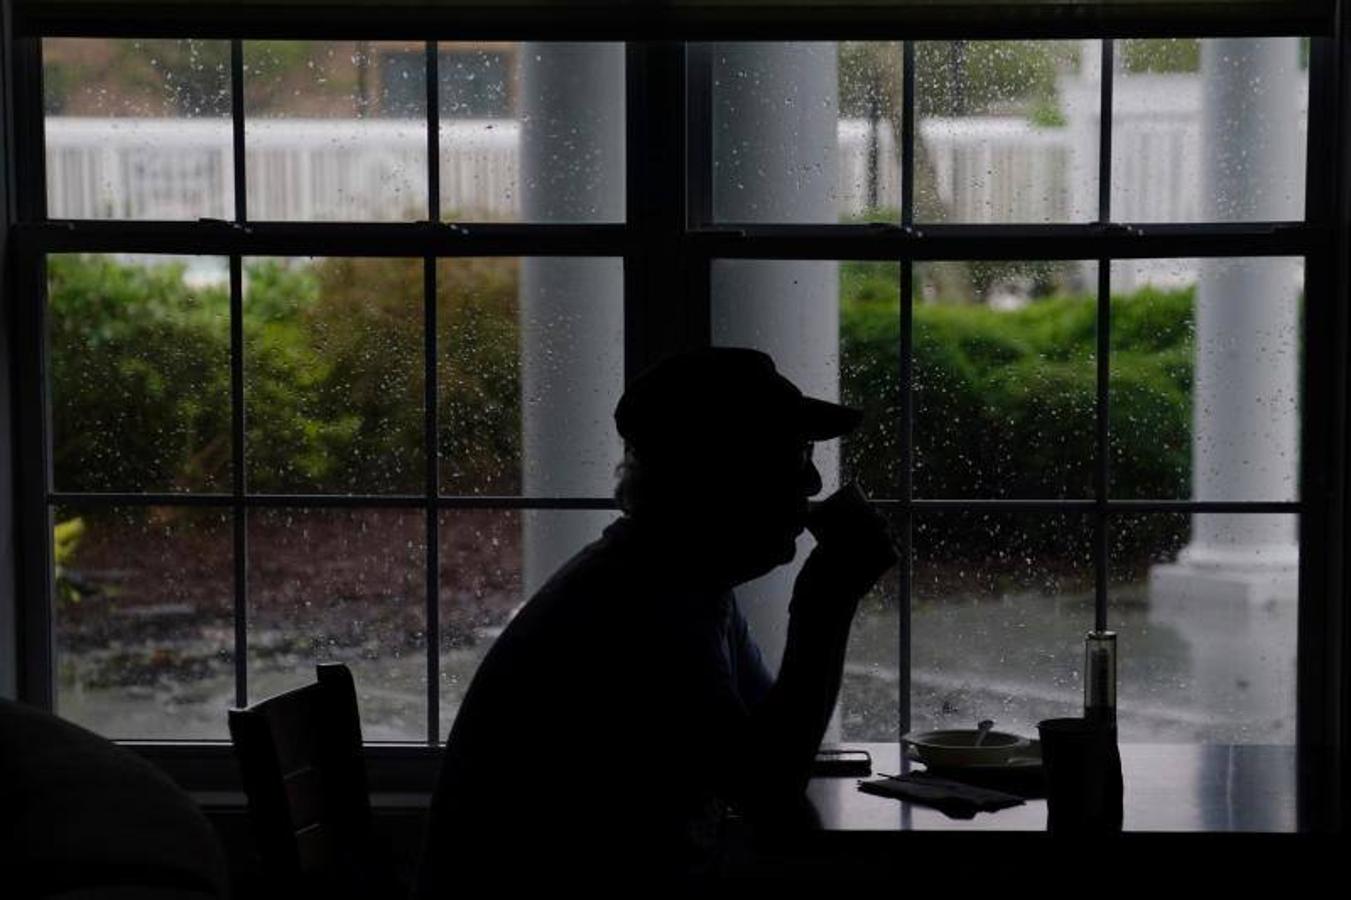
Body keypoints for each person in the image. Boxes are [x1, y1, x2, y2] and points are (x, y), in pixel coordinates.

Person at [413, 347, 897, 892]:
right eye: (791, 455)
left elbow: (771, 760)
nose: (811, 483)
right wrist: (828, 596)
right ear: (718, 476)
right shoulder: (641, 608)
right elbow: (769, 791)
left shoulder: (677, 583)